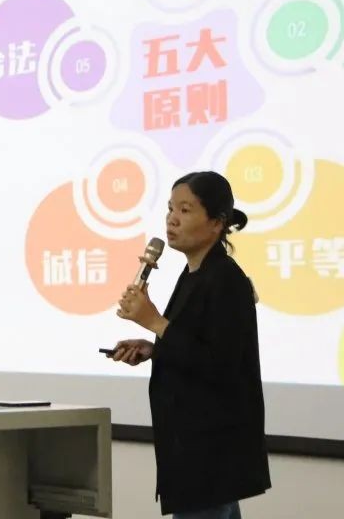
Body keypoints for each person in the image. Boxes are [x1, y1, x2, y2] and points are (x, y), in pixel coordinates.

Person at [113, 171, 270, 518]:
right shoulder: (193, 275)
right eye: (170, 209)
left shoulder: (226, 279)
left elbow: (221, 365)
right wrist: (154, 348)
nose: (172, 219)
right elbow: (196, 347)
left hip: (210, 455)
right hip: (194, 454)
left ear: (216, 223)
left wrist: (154, 321)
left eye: (185, 210)